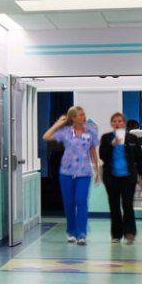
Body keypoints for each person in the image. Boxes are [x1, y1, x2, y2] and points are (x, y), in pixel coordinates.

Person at [43, 105, 99, 245]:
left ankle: (82, 234)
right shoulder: (66, 132)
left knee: (81, 201)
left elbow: (92, 151)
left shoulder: (90, 132)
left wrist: (97, 170)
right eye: (80, 115)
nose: (84, 117)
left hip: (84, 172)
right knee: (69, 203)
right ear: (73, 118)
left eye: (84, 114)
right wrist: (58, 123)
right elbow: (46, 136)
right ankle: (71, 232)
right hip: (66, 172)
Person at [99, 112, 142, 243]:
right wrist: (111, 146)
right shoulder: (106, 138)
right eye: (114, 121)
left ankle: (129, 233)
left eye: (120, 121)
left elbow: (139, 159)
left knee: (127, 205)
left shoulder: (132, 138)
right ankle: (116, 235)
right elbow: (102, 156)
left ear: (124, 123)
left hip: (128, 178)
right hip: (111, 178)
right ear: (111, 124)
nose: (117, 123)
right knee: (114, 206)